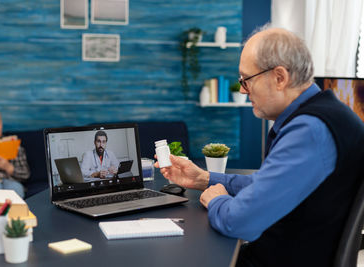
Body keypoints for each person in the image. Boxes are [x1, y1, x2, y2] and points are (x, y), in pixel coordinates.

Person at [156, 26, 364, 267]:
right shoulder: (322, 116)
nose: (243, 91)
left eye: (247, 80)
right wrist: (204, 179)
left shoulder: (310, 131)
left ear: (279, 77)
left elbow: (240, 222)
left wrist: (216, 200)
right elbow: (266, 184)